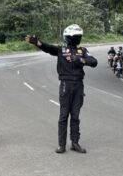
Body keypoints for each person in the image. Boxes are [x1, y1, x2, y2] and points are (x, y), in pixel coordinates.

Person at [25, 24, 98, 154]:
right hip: (66, 84)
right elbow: (48, 48)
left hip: (78, 86)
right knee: (64, 115)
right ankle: (61, 145)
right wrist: (38, 43)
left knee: (75, 116)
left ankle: (75, 143)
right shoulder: (61, 50)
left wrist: (80, 59)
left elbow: (94, 62)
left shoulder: (82, 51)